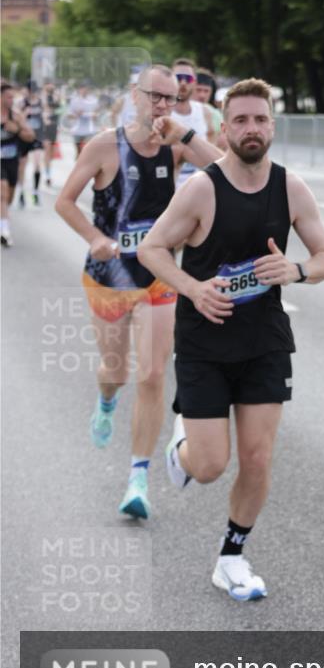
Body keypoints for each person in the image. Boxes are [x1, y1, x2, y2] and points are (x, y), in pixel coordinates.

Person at [138, 77, 324, 600]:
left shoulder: (290, 187)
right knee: (209, 467)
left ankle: (232, 556)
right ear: (224, 129)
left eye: (260, 119)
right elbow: (153, 249)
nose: (251, 129)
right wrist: (193, 288)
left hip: (265, 341)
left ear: (272, 126)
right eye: (241, 120)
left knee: (257, 458)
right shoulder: (203, 187)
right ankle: (182, 450)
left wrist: (295, 270)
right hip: (205, 340)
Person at [55, 65, 222, 519]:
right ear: (136, 95)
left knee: (151, 374)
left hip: (157, 274)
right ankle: (107, 399)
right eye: (155, 96)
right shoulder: (105, 144)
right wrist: (94, 238)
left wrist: (185, 136)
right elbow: (64, 200)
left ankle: (138, 476)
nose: (162, 105)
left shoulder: (174, 146)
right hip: (108, 275)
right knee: (116, 370)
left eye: (170, 98)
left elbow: (224, 171)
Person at [170, 58, 217, 186]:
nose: (183, 83)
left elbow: (212, 141)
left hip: (201, 187)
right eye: (178, 77)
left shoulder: (204, 111)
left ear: (194, 82)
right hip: (170, 190)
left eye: (188, 78)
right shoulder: (162, 112)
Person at [1, 82, 34, 246]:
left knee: (8, 197)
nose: (11, 100)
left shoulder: (16, 116)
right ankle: (4, 231)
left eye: (13, 97)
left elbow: (31, 136)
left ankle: (2, 217)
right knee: (2, 191)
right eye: (8, 97)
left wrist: (17, 130)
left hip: (11, 161)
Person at [22, 84, 46, 206]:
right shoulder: (23, 103)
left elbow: (46, 117)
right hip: (25, 137)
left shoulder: (41, 103)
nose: (32, 93)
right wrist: (24, 114)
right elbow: (18, 119)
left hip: (37, 137)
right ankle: (21, 192)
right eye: (30, 90)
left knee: (37, 164)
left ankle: (35, 192)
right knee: (23, 166)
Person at [195, 68, 226, 153]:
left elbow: (222, 143)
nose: (202, 95)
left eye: (206, 91)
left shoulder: (216, 114)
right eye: (198, 90)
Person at [67, 83, 99, 155]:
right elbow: (69, 115)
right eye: (82, 89)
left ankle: (86, 162)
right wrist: (77, 114)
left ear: (88, 90)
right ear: (79, 90)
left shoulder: (93, 100)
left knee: (87, 149)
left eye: (85, 89)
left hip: (89, 130)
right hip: (77, 129)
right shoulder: (74, 101)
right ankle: (79, 159)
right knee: (78, 151)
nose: (84, 91)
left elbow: (96, 114)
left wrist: (94, 115)